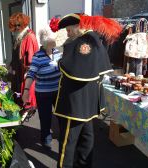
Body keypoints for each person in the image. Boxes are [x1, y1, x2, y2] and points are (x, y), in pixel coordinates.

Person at [50, 13, 122, 167]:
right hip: (88, 104)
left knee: (68, 143)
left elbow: (74, 69)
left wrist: (60, 61)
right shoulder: (93, 38)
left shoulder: (84, 42)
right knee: (86, 139)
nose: (68, 33)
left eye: (69, 30)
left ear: (78, 26)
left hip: (75, 104)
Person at [22, 28, 62, 149]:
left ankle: (63, 135)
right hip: (43, 93)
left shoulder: (57, 53)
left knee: (61, 115)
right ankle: (46, 139)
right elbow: (31, 74)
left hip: (58, 91)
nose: (54, 43)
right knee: (45, 117)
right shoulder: (37, 56)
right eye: (52, 41)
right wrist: (26, 90)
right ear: (45, 43)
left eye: (54, 40)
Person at [8, 13, 39, 108]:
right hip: (17, 73)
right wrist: (11, 65)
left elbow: (32, 58)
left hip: (24, 74)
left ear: (24, 24)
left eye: (19, 25)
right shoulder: (20, 36)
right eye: (15, 25)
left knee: (25, 101)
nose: (17, 28)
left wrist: (28, 72)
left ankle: (27, 112)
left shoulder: (29, 36)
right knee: (17, 98)